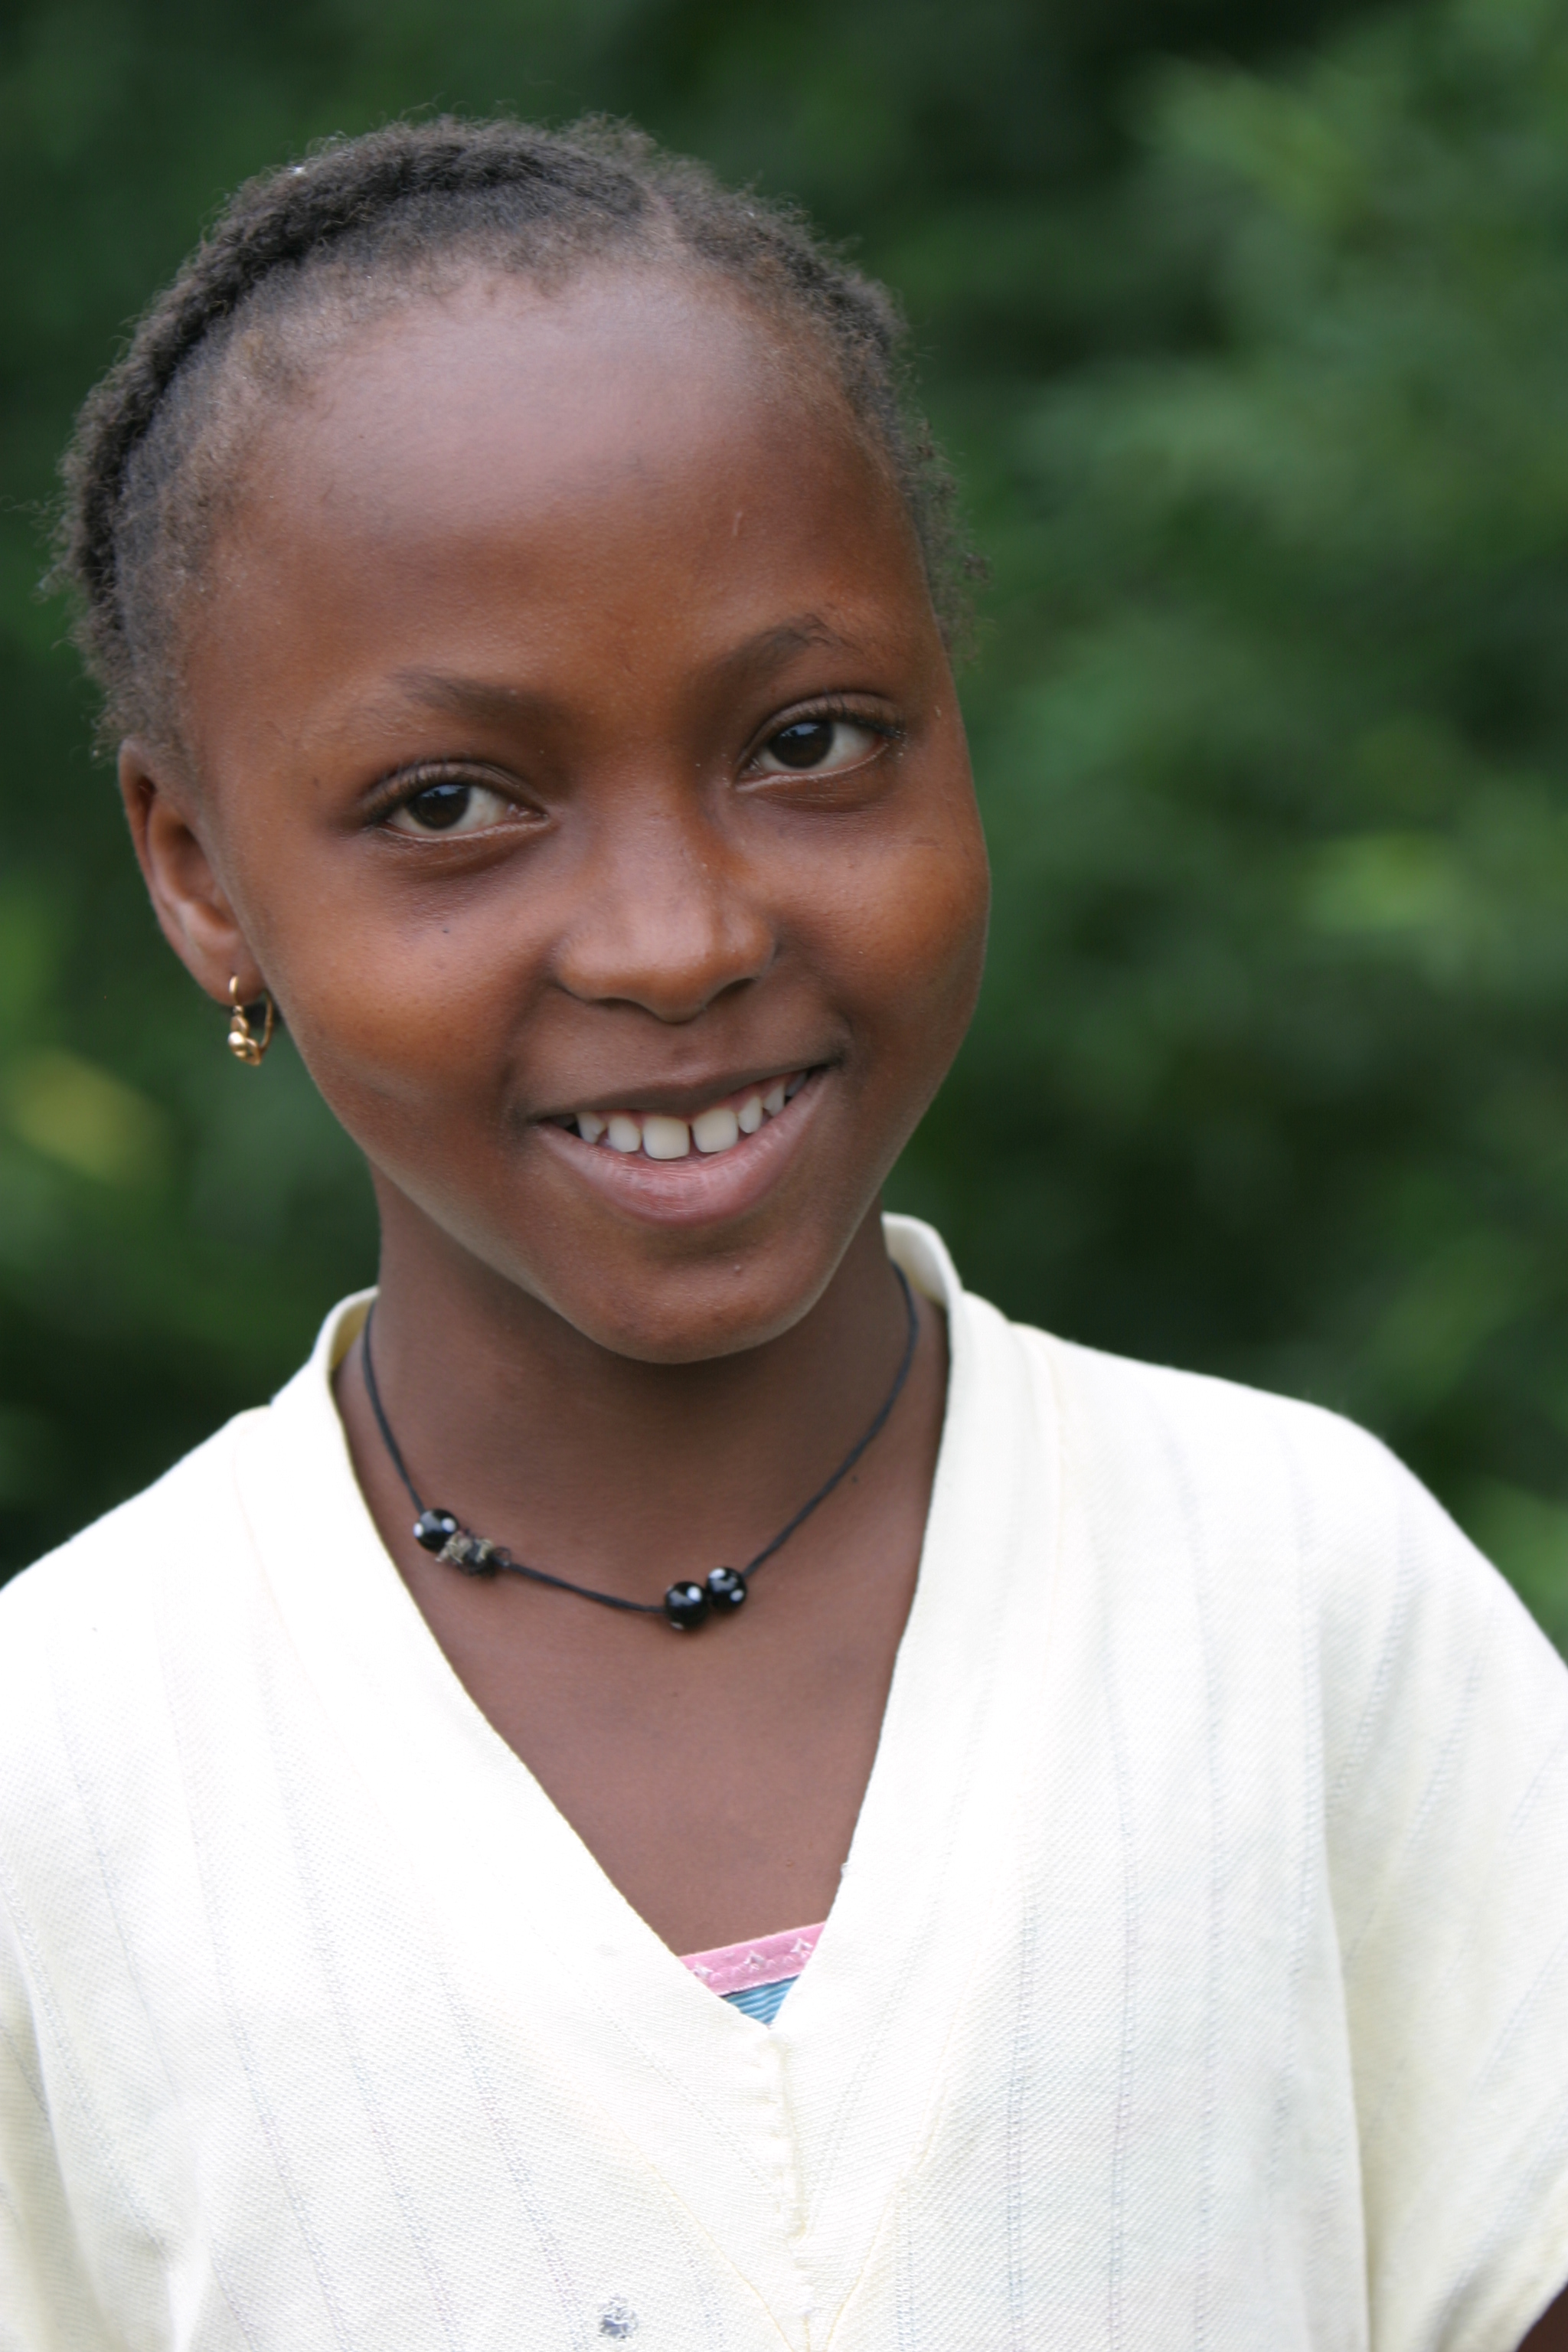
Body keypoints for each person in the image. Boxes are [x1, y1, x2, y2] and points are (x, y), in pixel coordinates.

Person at [1, 115, 1564, 2352]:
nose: (678, 938)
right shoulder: (60, 1774)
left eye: (810, 742)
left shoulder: (1300, 1598)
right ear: (197, 874)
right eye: (451, 803)